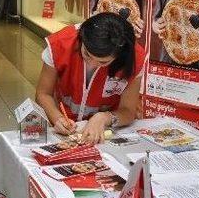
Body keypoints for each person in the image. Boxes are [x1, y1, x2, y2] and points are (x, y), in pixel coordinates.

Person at [36, 12, 146, 144]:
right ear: (81, 39)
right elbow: (43, 93)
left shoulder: (134, 58)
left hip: (105, 131)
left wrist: (104, 118)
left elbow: (128, 111)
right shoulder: (59, 44)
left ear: (119, 56)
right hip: (67, 127)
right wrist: (57, 118)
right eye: (87, 54)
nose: (91, 64)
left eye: (103, 62)